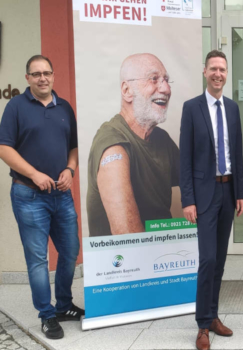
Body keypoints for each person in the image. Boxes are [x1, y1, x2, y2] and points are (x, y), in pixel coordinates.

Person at [0, 55, 84, 339]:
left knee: (71, 250)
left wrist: (70, 170)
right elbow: (4, 148)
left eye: (47, 72)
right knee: (38, 259)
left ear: (53, 75)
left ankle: (63, 305)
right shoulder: (16, 107)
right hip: (29, 195)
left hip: (62, 194)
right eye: (36, 74)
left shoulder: (65, 107)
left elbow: (73, 147)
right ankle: (47, 315)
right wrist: (34, 174)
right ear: (28, 79)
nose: (42, 78)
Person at [179, 50, 243, 350]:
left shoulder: (232, 109)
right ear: (205, 72)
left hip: (228, 192)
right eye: (214, 69)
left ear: (226, 73)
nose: (218, 74)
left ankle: (214, 315)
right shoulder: (191, 108)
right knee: (206, 260)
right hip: (204, 195)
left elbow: (237, 154)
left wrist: (240, 193)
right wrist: (188, 200)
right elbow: (185, 159)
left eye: (223, 69)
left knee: (219, 261)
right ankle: (202, 325)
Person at [87, 53, 180, 236]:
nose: (166, 89)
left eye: (166, 80)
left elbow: (194, 182)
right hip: (124, 261)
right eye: (154, 79)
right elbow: (129, 238)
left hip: (159, 254)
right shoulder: (114, 147)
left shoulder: (162, 139)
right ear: (127, 91)